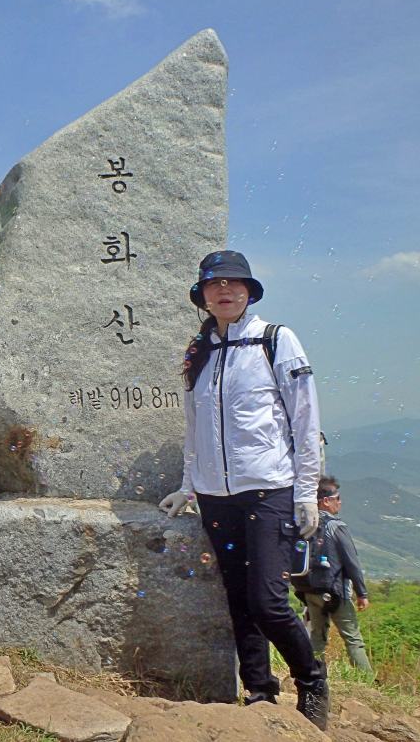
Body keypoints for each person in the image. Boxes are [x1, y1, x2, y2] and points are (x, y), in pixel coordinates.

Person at [158, 250, 330, 730]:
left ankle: (311, 679)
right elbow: (194, 426)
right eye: (214, 284)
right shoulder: (200, 351)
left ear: (250, 292)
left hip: (269, 489)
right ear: (202, 295)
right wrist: (189, 487)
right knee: (238, 596)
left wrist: (306, 491)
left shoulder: (276, 340)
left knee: (268, 601)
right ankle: (259, 690)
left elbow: (305, 418)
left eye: (234, 283)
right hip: (216, 497)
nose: (225, 291)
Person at [293, 476, 373, 674]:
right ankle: (367, 680)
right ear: (326, 501)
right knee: (353, 639)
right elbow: (351, 561)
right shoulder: (336, 526)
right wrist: (362, 593)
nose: (340, 502)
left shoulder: (304, 524)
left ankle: (313, 677)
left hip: (309, 589)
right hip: (336, 591)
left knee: (317, 637)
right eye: (337, 498)